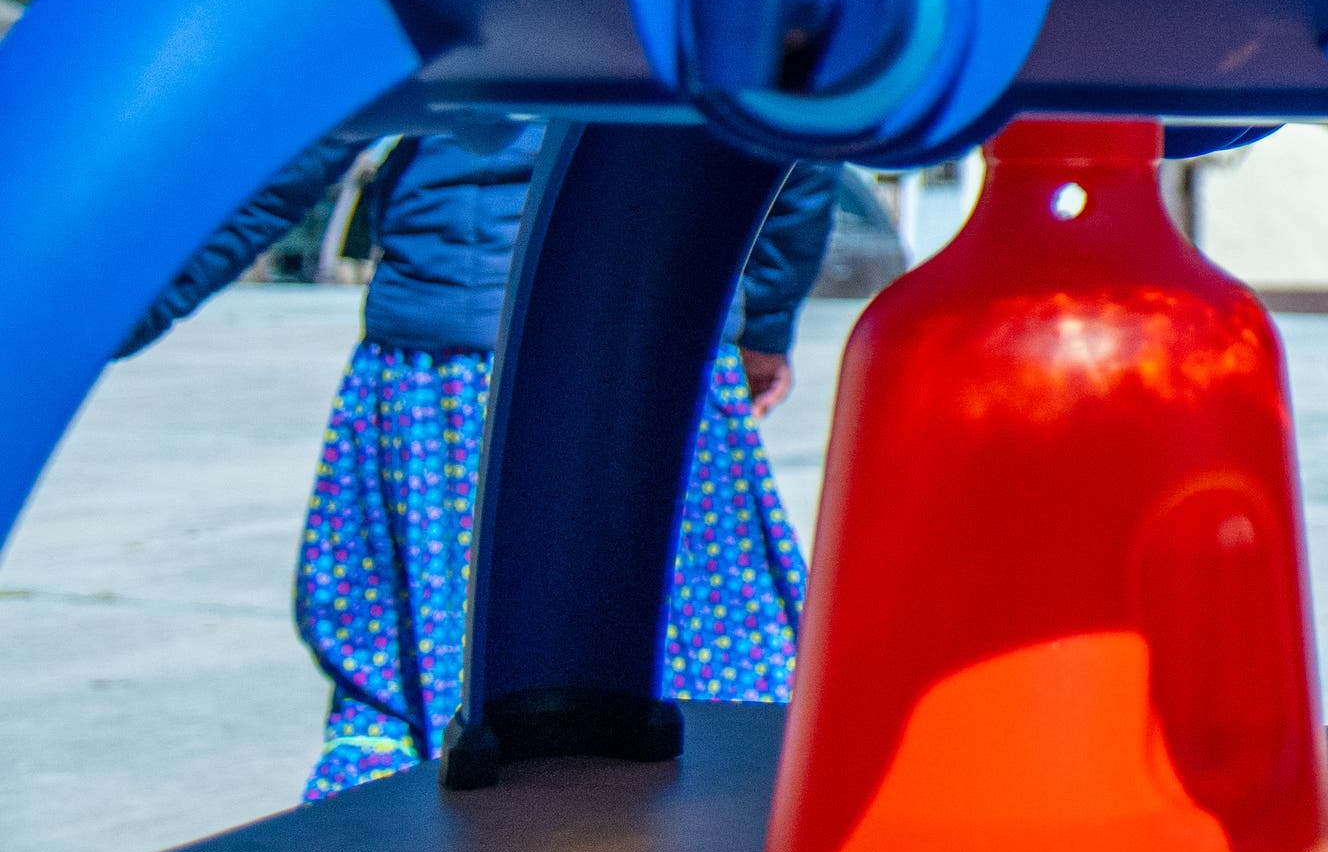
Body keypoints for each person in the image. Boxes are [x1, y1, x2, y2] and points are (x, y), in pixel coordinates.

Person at [124, 124, 836, 797]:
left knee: (424, 686)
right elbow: (798, 128)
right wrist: (765, 319)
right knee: (702, 663)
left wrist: (113, 308)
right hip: (660, 350)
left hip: (455, 374)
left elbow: (297, 152)